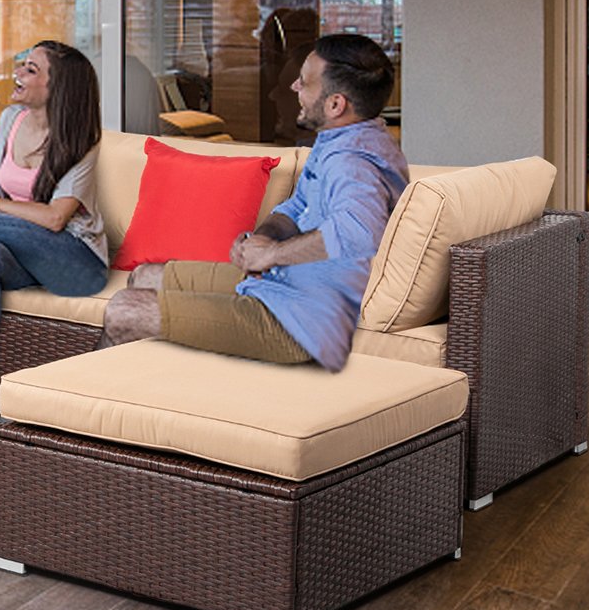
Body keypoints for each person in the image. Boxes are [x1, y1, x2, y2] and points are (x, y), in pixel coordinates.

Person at [99, 33, 407, 372]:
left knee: (123, 310)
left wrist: (273, 255)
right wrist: (260, 240)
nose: (293, 88)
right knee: (144, 275)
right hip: (280, 284)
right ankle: (142, 389)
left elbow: (356, 233)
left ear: (335, 105)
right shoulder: (337, 141)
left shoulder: (352, 162)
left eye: (304, 83)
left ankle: (77, 399)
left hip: (297, 320)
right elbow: (295, 208)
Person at [0, 42, 110, 427]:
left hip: (77, 261)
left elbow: (56, 219)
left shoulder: (81, 140)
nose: (17, 73)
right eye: (22, 65)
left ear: (56, 85)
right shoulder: (12, 119)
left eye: (30, 69)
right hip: (26, 252)